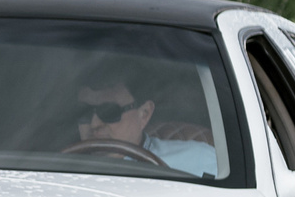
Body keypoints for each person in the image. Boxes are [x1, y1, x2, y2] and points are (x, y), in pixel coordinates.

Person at [74, 74, 218, 176]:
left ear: (144, 113)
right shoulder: (55, 166)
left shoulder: (199, 161)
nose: (94, 124)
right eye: (84, 112)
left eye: (109, 111)